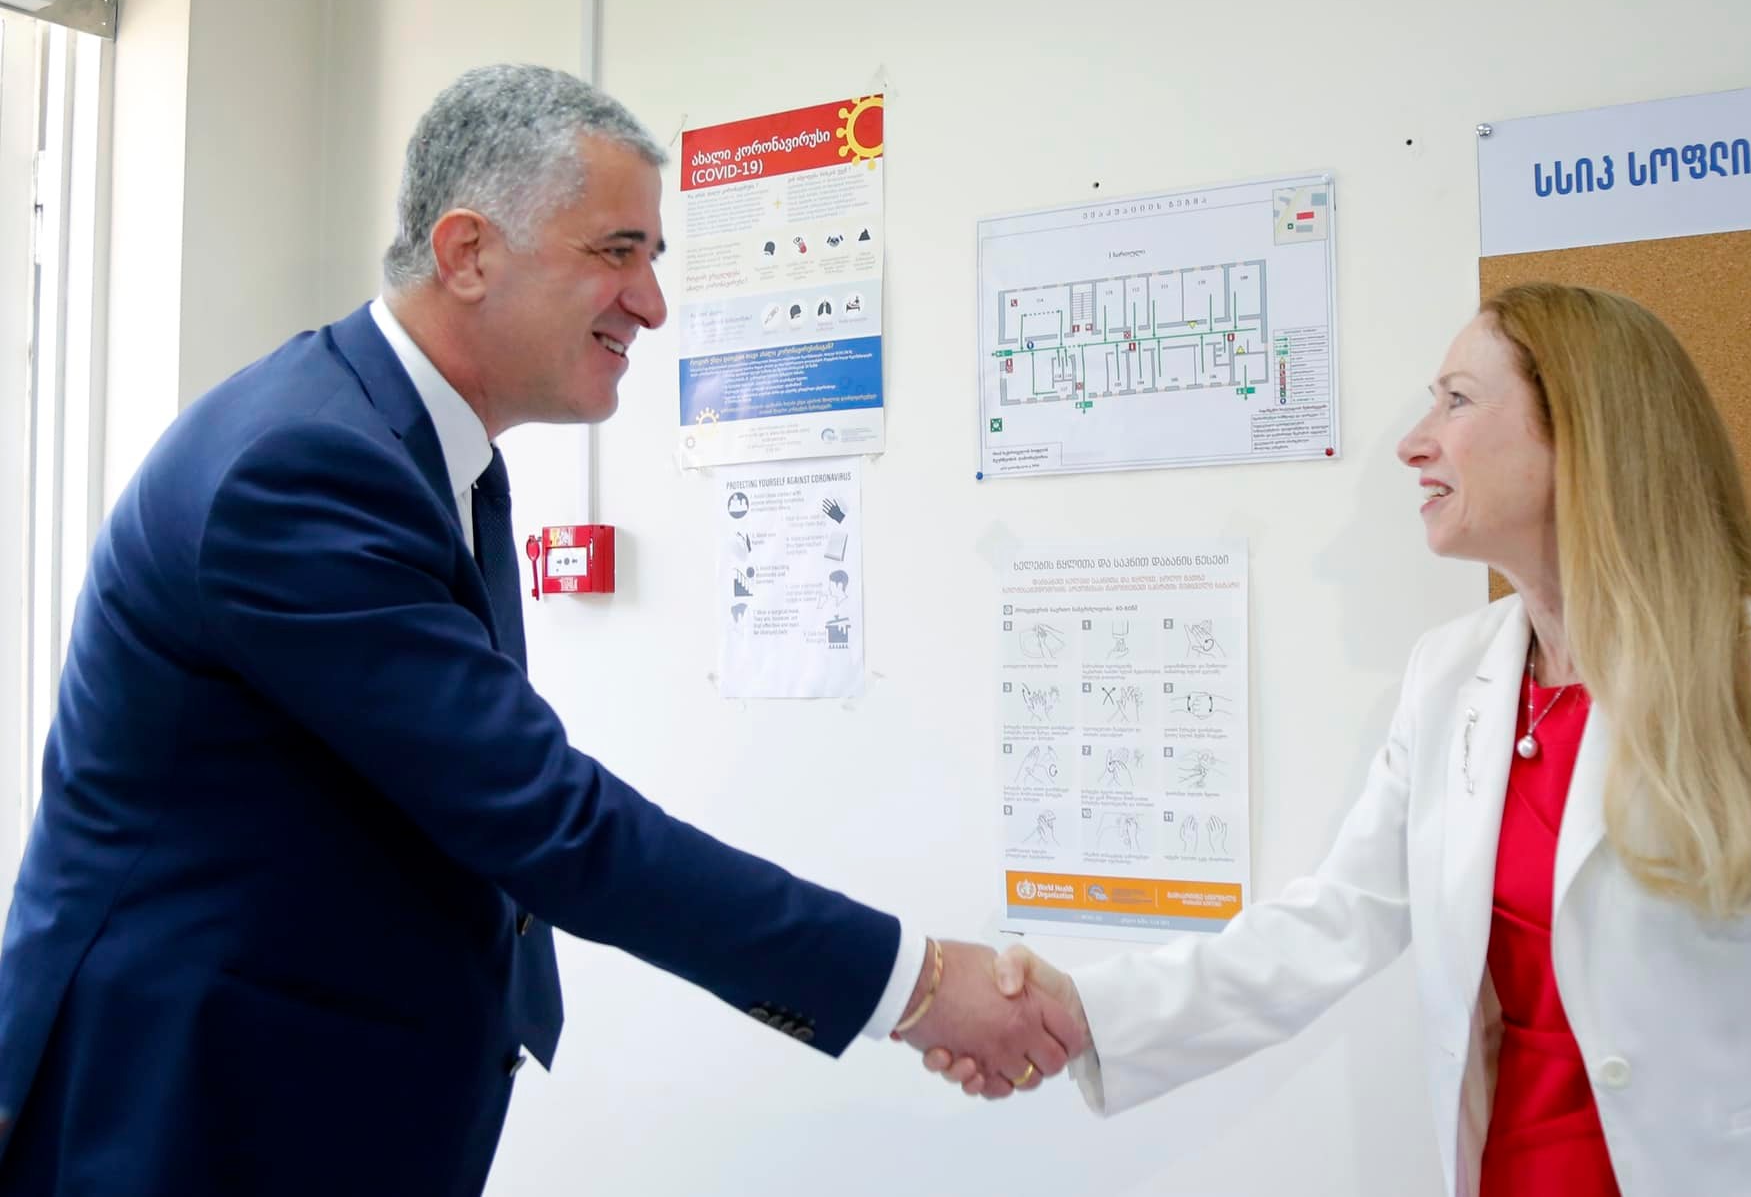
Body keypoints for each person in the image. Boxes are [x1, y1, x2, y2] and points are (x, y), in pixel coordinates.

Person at [0, 66, 1078, 1196]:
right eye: (617, 251)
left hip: (322, 1097)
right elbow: (548, 819)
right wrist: (914, 983)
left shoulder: (422, 453)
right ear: (468, 252)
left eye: (653, 258)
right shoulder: (303, 469)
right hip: (183, 1117)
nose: (652, 304)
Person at [926, 284, 1751, 1195]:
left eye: (1455, 400)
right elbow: (1334, 920)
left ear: (1582, 430)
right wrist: (1084, 1010)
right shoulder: (1452, 674)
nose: (1415, 442)